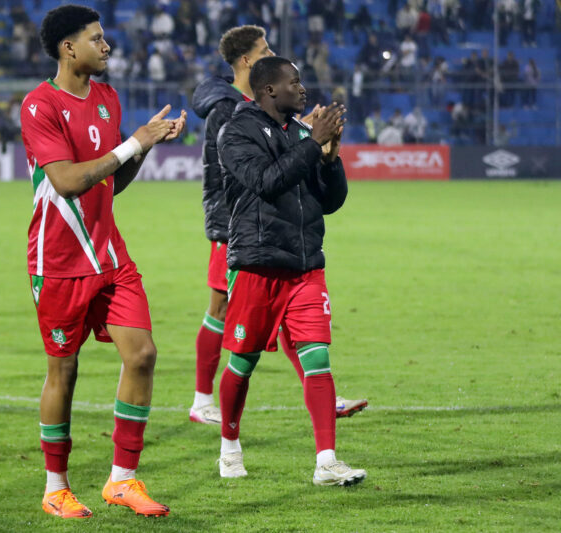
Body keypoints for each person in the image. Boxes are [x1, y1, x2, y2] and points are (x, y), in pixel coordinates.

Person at [20, 5, 186, 520]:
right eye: (97, 38)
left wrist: (143, 150)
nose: (107, 45)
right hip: (59, 260)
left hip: (109, 253)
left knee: (141, 355)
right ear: (69, 48)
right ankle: (56, 487)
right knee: (63, 373)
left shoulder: (108, 98)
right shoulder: (39, 105)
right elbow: (68, 181)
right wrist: (134, 142)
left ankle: (122, 479)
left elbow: (108, 183)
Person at [189, 26, 367, 426]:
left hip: (276, 226)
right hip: (236, 225)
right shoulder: (226, 111)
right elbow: (237, 174)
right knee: (221, 308)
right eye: (264, 49)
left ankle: (322, 390)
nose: (272, 52)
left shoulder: (269, 110)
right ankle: (202, 400)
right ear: (249, 61)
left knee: (289, 307)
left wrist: (303, 135)